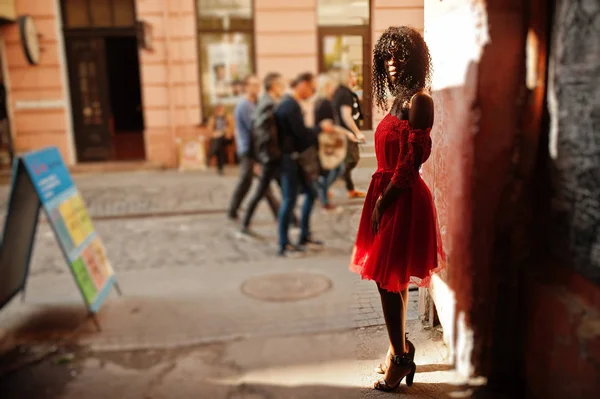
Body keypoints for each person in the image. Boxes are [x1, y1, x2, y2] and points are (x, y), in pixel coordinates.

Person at [350, 26, 444, 392]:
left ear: (416, 59)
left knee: (386, 280)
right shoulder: (395, 101)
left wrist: (382, 201)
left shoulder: (420, 101)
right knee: (393, 278)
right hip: (386, 193)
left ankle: (401, 358)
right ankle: (399, 349)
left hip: (400, 196)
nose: (392, 63)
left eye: (399, 55)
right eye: (386, 56)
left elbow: (411, 161)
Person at [275, 72, 334, 256]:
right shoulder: (289, 106)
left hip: (294, 159)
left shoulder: (289, 104)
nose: (313, 91)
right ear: (302, 84)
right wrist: (320, 129)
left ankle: (304, 236)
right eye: (312, 87)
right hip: (289, 160)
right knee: (289, 201)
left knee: (311, 192)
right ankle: (283, 245)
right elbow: (302, 136)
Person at [240, 72, 298, 235]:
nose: (283, 88)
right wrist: (264, 157)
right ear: (274, 86)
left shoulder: (267, 101)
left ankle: (294, 221)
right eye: (281, 85)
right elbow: (261, 133)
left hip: (271, 156)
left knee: (284, 191)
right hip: (271, 157)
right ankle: (244, 224)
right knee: (263, 191)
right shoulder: (268, 104)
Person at [228, 75, 279, 221]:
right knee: (247, 180)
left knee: (262, 183)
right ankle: (233, 209)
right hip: (247, 149)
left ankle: (279, 214)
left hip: (256, 149)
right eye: (253, 85)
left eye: (258, 85)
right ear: (246, 87)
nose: (256, 88)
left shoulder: (257, 103)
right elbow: (255, 128)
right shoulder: (244, 106)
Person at [314, 73, 359, 211]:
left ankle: (322, 193)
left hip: (323, 141)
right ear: (327, 86)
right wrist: (347, 133)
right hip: (326, 142)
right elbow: (329, 126)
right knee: (335, 169)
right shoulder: (325, 103)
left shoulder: (321, 101)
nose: (335, 88)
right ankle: (322, 194)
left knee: (332, 170)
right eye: (332, 85)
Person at [332, 68, 367, 199]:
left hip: (343, 133)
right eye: (353, 76)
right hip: (346, 134)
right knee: (350, 161)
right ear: (346, 78)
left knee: (347, 161)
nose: (355, 79)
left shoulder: (343, 92)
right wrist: (357, 133)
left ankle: (349, 189)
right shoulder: (345, 94)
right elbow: (346, 116)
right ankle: (327, 184)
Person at [205, 104, 233, 175]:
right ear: (216, 111)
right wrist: (214, 134)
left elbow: (232, 127)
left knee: (218, 142)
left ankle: (210, 154)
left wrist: (224, 131)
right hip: (217, 138)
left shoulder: (228, 117)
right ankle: (220, 169)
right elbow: (209, 129)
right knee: (219, 147)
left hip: (227, 138)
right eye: (219, 110)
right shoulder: (213, 118)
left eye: (221, 110)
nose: (220, 112)